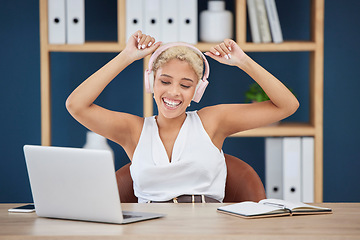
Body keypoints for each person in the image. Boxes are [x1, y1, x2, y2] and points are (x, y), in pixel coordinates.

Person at [66, 30, 299, 203]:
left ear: (197, 91)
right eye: (165, 81)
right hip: (147, 229)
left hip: (207, 228)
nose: (174, 92)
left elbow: (287, 106)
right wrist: (127, 56)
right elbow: (76, 105)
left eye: (186, 85)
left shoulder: (212, 121)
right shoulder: (133, 130)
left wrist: (243, 62)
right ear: (151, 82)